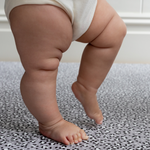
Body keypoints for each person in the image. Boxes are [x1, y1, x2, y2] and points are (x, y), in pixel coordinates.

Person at [4, 0, 126, 145]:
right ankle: (51, 123)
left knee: (113, 31)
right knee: (43, 68)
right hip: (42, 4)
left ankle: (86, 87)